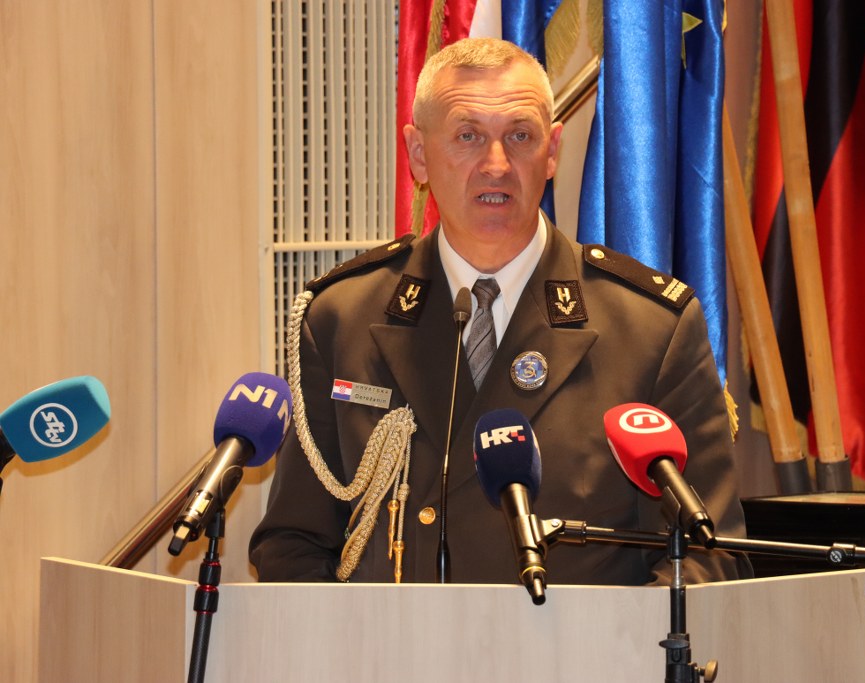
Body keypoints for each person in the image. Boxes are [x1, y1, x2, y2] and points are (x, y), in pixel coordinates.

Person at [250, 37, 751, 586]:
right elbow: (294, 545)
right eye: (467, 136)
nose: (497, 164)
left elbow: (709, 556)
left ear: (552, 150)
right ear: (418, 154)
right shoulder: (339, 319)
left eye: (520, 136)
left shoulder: (652, 329)